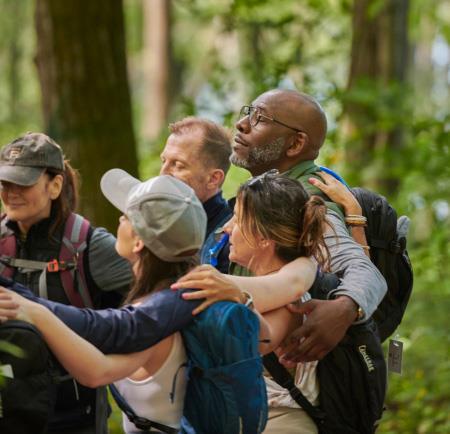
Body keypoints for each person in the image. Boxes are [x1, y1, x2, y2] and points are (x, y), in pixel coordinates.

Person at [230, 89, 387, 363]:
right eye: (248, 113)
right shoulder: (269, 192)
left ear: (295, 144)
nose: (241, 124)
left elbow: (363, 270)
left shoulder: (303, 198)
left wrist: (345, 308)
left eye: (260, 118)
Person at [0, 133, 133, 434]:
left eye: (22, 183)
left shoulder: (89, 246)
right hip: (8, 403)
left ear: (55, 185)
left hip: (74, 411)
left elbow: (147, 304)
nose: (11, 193)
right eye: (5, 184)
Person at [160, 117, 233, 272]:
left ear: (214, 178)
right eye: (163, 161)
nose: (163, 174)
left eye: (178, 165)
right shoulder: (160, 223)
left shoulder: (232, 239)